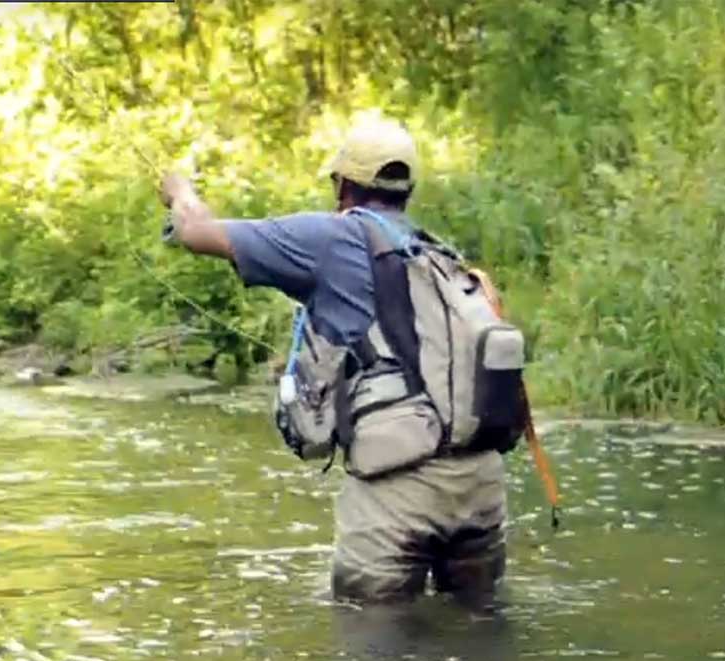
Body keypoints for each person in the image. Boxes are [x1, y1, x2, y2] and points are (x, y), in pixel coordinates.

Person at [158, 119, 508, 611]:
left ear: (343, 185)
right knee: (480, 645)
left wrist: (179, 191)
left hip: (397, 494)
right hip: (481, 484)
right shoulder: (437, 253)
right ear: (406, 190)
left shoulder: (328, 238)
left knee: (371, 650)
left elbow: (195, 232)